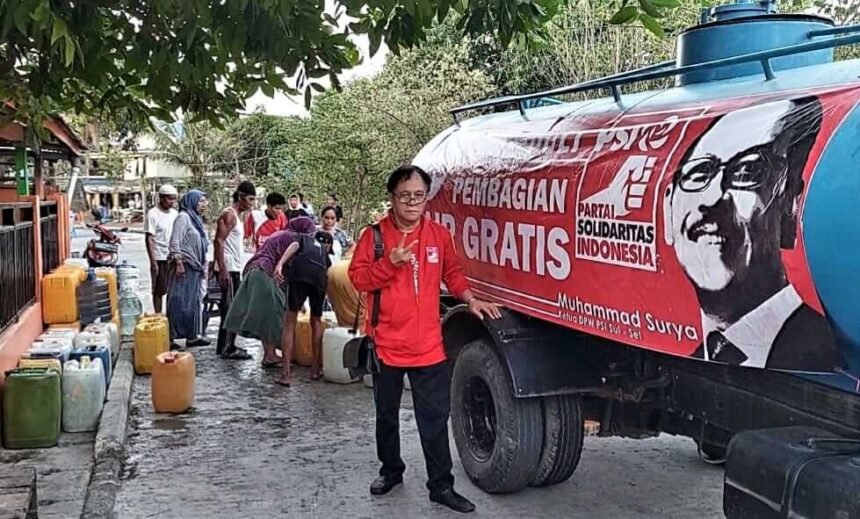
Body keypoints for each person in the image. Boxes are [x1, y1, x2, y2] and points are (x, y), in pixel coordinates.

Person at [348, 165, 501, 514]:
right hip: (385, 344)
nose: (412, 203)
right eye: (405, 196)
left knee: (433, 420)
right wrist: (390, 263)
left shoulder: (438, 235)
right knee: (385, 416)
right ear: (392, 198)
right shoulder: (375, 237)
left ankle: (441, 487)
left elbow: (453, 273)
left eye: (419, 196)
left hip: (428, 345)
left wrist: (470, 299)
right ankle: (391, 471)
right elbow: (358, 279)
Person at [662, 96, 845, 372]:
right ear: (667, 209)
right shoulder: (697, 348)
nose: (712, 198)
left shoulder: (821, 351)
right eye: (699, 174)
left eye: (747, 171)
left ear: (791, 205)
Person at [224, 217, 318, 372]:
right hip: (264, 273)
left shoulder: (280, 234)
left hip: (255, 272)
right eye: (310, 232)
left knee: (265, 315)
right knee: (274, 313)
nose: (311, 236)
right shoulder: (293, 237)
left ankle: (269, 354)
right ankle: (270, 355)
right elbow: (290, 264)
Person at [277, 228, 333, 386]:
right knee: (316, 321)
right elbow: (328, 274)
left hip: (299, 273)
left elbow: (294, 246)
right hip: (319, 277)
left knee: (290, 322)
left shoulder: (302, 238)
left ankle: (285, 374)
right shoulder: (325, 253)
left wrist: (280, 264)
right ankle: (315, 369)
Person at [214, 181, 256, 360]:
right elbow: (218, 241)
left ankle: (225, 345)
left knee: (231, 307)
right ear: (240, 197)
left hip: (234, 267)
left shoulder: (238, 217)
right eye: (250, 199)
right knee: (231, 309)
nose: (252, 203)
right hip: (229, 268)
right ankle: (227, 348)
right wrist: (222, 268)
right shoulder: (229, 215)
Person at [166, 190, 211, 349]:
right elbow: (175, 241)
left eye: (204, 201)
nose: (204, 204)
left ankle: (191, 336)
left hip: (194, 268)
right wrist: (178, 262)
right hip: (183, 266)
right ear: (191, 202)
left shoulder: (195, 220)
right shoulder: (183, 217)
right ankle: (170, 337)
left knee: (192, 302)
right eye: (200, 201)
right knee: (178, 301)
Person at [144, 184, 178, 313]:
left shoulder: (175, 214)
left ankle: (171, 316)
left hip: (173, 257)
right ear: (161, 198)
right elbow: (149, 238)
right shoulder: (153, 214)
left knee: (173, 290)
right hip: (159, 257)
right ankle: (158, 316)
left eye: (174, 199)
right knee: (158, 290)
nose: (172, 202)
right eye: (169, 199)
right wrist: (153, 262)